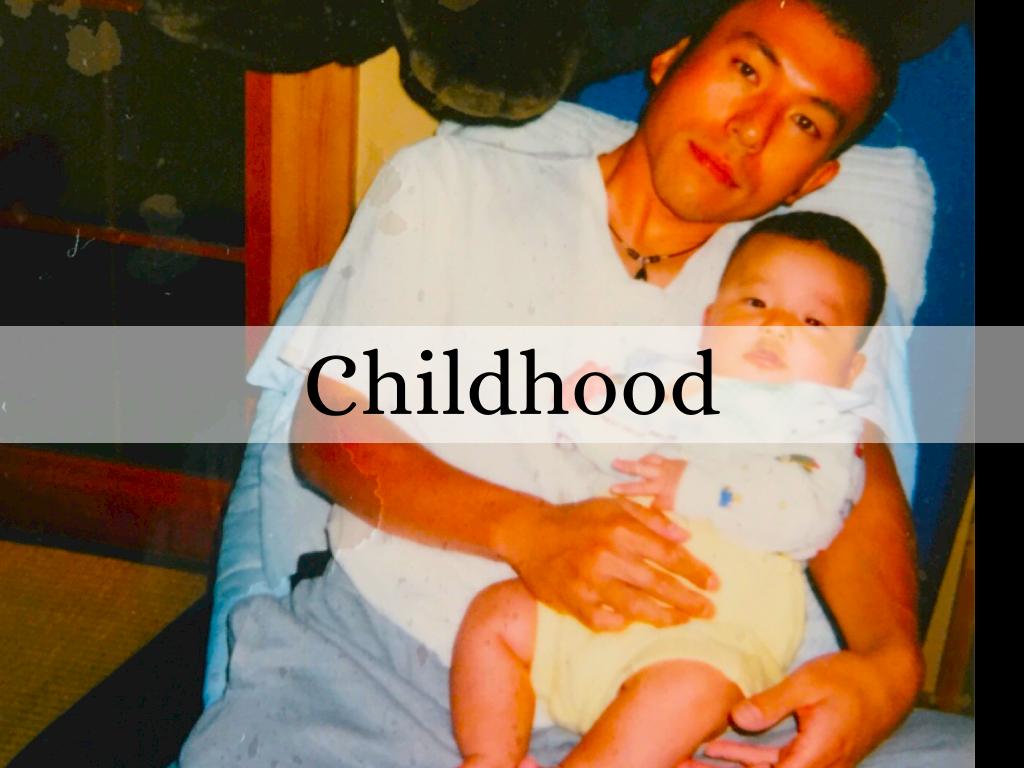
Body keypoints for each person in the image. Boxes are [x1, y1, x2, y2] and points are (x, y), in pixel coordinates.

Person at [180, 0, 973, 765]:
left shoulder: (790, 295)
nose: (751, 128)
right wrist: (528, 532)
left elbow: (850, 465)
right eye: (745, 70)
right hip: (383, 666)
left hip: (666, 711)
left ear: (815, 177)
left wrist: (890, 665)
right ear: (670, 60)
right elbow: (328, 433)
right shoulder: (456, 185)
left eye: (803, 122)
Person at [449, 212, 884, 768]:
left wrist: (698, 488)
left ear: (849, 371)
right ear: (709, 322)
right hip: (590, 607)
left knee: (686, 692)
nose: (776, 326)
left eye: (814, 322)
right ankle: (490, 755)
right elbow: (615, 443)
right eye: (755, 303)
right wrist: (585, 405)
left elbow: (806, 516)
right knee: (498, 614)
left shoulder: (820, 430)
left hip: (706, 634)